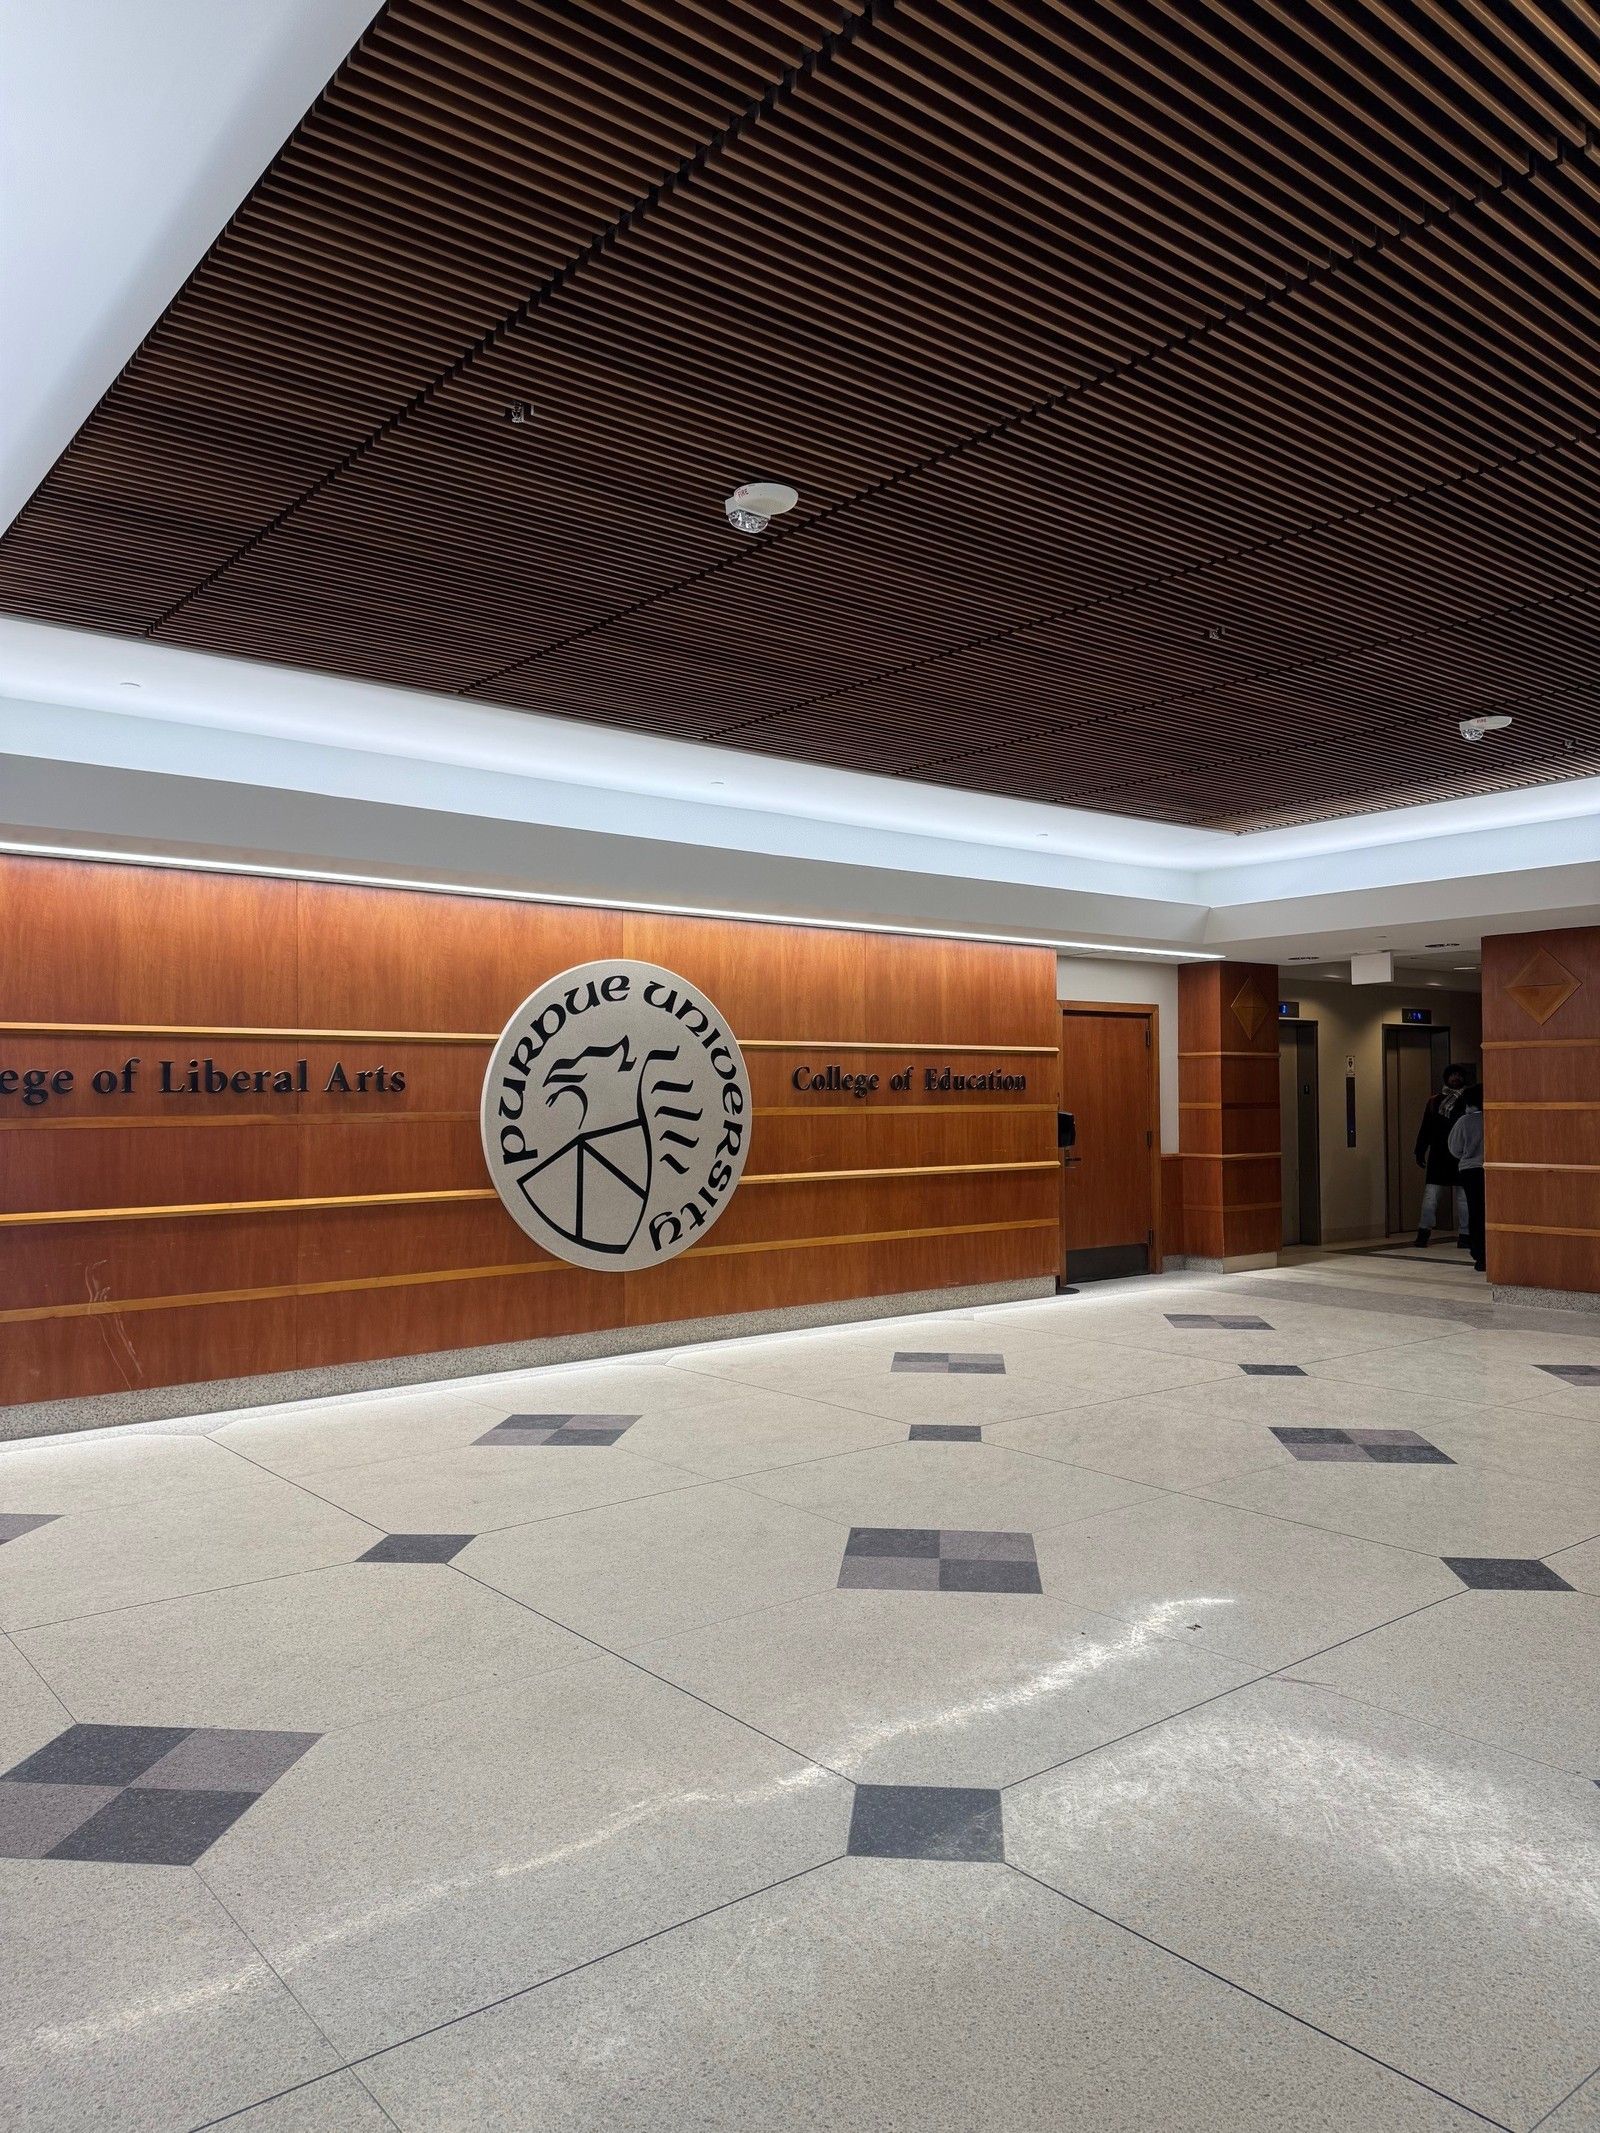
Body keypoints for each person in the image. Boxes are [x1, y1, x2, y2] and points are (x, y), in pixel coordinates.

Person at [1413, 1064, 1473, 1249]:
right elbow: (1426, 1127)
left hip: (1461, 1155)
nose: (1455, 1078)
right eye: (1452, 1075)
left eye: (1458, 1075)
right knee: (1431, 1197)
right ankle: (1423, 1232)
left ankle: (1465, 1234)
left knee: (1463, 1198)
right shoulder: (1434, 1101)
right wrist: (1420, 1149)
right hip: (1439, 1155)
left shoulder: (1468, 1101)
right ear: (1445, 1078)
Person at [1448, 1084, 1486, 1272]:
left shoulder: (1464, 1121)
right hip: (1490, 1170)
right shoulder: (1493, 1118)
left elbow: (1454, 1148)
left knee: (1475, 1211)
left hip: (1470, 1171)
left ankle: (1479, 1254)